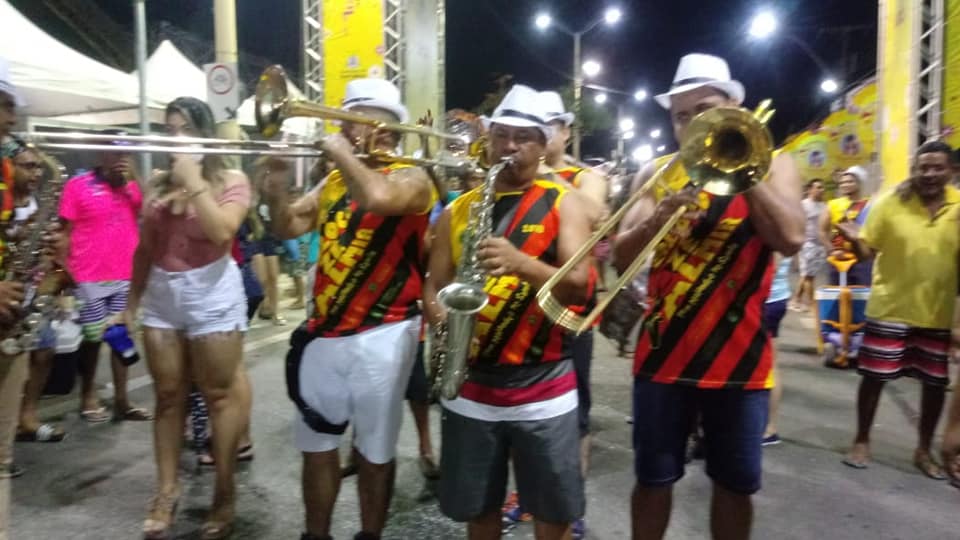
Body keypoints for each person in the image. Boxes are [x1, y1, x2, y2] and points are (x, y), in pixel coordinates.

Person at [613, 53, 803, 539]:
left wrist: (746, 171)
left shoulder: (774, 164)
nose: (692, 124)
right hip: (663, 359)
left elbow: (790, 239)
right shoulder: (656, 173)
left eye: (704, 110)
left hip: (739, 360)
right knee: (652, 480)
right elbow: (619, 258)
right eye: (681, 116)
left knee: (734, 486)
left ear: (733, 108)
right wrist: (657, 220)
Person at [264, 78, 436, 540]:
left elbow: (380, 197)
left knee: (375, 451)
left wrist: (340, 153)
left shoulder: (414, 176)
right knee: (316, 446)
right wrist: (275, 187)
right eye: (342, 122)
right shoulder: (335, 179)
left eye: (351, 121)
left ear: (385, 129)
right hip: (325, 330)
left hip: (386, 331)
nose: (341, 130)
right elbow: (288, 225)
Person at [424, 84, 593, 540]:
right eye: (501, 135)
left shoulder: (563, 202)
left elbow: (581, 283)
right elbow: (433, 285)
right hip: (473, 386)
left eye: (523, 138)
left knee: (552, 515)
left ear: (542, 146)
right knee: (479, 510)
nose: (509, 147)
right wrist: (443, 325)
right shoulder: (459, 209)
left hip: (544, 385)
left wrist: (522, 264)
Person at [131, 97, 252, 540]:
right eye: (170, 131)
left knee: (218, 396)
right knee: (167, 396)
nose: (176, 139)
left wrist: (194, 182)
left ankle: (224, 492)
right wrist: (131, 302)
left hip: (212, 294)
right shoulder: (157, 184)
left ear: (205, 134)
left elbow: (222, 232)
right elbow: (146, 247)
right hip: (163, 294)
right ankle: (166, 490)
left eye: (185, 129)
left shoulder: (232, 180)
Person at [498, 90, 608, 538]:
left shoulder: (585, 177)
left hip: (566, 313)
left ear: (560, 132)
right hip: (512, 311)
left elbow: (594, 213)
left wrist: (543, 174)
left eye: (546, 126)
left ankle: (568, 502)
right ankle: (524, 496)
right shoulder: (509, 175)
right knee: (512, 413)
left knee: (571, 414)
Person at [840, 141, 959, 480]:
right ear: (914, 170)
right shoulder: (891, 202)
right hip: (889, 306)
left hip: (937, 313)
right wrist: (853, 238)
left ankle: (923, 450)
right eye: (923, 167)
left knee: (933, 385)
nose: (929, 174)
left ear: (951, 171)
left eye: (937, 167)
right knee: (873, 377)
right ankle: (862, 439)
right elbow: (867, 252)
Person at [59, 133, 152, 424]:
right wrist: (64, 272)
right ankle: (88, 395)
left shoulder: (133, 188)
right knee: (93, 338)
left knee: (121, 336)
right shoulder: (78, 185)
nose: (122, 158)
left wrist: (135, 177)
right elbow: (64, 232)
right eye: (115, 152)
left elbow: (151, 212)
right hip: (88, 276)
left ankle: (123, 400)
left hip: (126, 275)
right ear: (101, 154)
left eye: (127, 153)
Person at [0, 58, 49, 540]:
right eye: (5, 106)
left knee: (1, 458)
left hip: (8, 324)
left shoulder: (3, 171)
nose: (11, 118)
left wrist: (23, 241)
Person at [9, 143, 67, 443]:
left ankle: (27, 417)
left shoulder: (36, 203)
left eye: (38, 167)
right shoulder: (5, 202)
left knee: (44, 351)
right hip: (9, 290)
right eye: (28, 166)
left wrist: (50, 256)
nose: (35, 173)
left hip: (35, 289)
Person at [818, 166, 871, 285]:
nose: (845, 185)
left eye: (849, 182)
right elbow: (822, 231)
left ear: (859, 183)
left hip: (862, 259)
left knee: (861, 294)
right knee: (837, 293)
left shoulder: (869, 204)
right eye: (842, 182)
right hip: (838, 259)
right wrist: (831, 250)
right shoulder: (833, 204)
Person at [763, 255, 792, 445]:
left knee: (769, 365)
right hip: (775, 297)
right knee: (770, 364)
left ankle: (769, 429)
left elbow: (774, 263)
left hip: (766, 299)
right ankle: (769, 428)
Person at [790, 179, 826, 312]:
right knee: (808, 276)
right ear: (810, 189)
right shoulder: (803, 205)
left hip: (819, 245)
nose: (821, 190)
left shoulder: (824, 206)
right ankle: (812, 305)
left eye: (822, 188)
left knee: (807, 275)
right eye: (818, 187)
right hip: (807, 244)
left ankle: (796, 299)